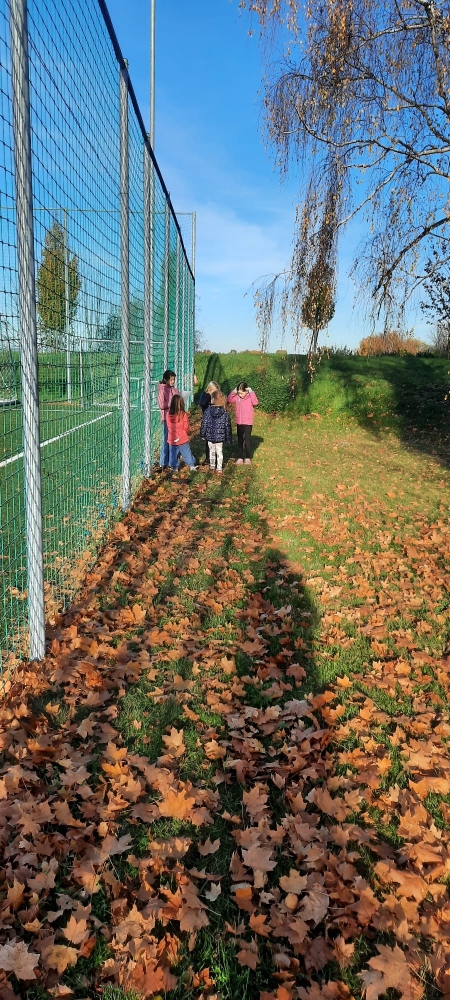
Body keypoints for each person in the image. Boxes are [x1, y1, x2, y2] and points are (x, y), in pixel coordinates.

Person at [200, 390, 232, 474]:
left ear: (213, 399)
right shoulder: (225, 412)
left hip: (210, 436)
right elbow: (227, 426)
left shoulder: (207, 411)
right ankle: (219, 468)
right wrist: (228, 438)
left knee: (212, 452)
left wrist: (203, 434)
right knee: (219, 452)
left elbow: (204, 423)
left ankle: (212, 467)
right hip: (220, 438)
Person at [227, 381, 259, 465]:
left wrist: (251, 392)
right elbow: (229, 399)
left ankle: (248, 458)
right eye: (239, 393)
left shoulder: (250, 397)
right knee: (240, 440)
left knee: (247, 441)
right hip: (239, 422)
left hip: (248, 423)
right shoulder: (237, 397)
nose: (240, 395)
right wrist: (234, 392)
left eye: (241, 393)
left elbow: (255, 402)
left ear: (246, 391)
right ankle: (240, 458)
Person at [167, 395, 198, 472]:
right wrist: (187, 432)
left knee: (173, 454)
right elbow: (186, 426)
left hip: (172, 438)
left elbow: (168, 426)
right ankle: (191, 465)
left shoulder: (168, 415)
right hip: (182, 438)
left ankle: (175, 467)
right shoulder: (183, 415)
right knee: (186, 452)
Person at [158, 370, 180, 468]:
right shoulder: (162, 390)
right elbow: (161, 405)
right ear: (166, 380)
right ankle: (163, 463)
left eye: (174, 380)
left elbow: (178, 400)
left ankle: (173, 462)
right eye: (171, 380)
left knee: (174, 440)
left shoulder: (174, 390)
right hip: (166, 419)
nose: (173, 382)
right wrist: (172, 403)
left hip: (175, 418)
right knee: (166, 440)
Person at [198, 380, 220, 465]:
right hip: (207, 420)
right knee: (208, 440)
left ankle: (216, 457)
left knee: (215, 440)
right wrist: (208, 395)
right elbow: (202, 403)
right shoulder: (205, 396)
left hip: (215, 420)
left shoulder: (216, 397)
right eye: (214, 391)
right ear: (210, 389)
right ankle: (208, 458)